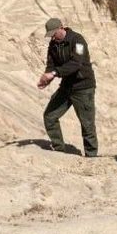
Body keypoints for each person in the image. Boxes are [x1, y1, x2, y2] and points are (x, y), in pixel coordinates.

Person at [37, 18, 98, 157]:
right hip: (66, 87)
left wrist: (54, 73)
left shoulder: (78, 40)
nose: (52, 37)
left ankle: (91, 156)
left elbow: (77, 63)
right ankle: (59, 150)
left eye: (54, 34)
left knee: (87, 124)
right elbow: (51, 64)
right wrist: (47, 78)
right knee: (50, 116)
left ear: (61, 28)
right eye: (50, 35)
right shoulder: (53, 45)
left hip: (83, 87)